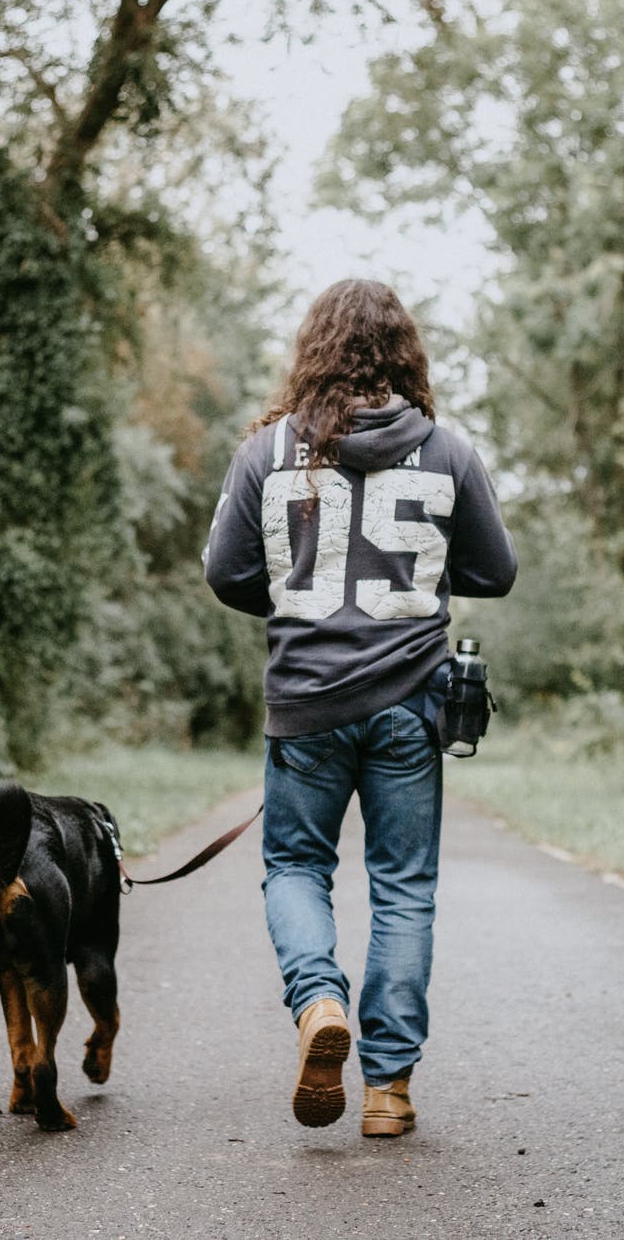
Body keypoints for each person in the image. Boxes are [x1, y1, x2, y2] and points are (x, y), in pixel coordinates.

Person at [202, 279, 517, 1136]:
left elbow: (227, 573)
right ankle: (388, 1091)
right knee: (403, 889)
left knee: (298, 868)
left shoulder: (266, 455)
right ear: (405, 354)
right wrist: (417, 579)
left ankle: (318, 1005)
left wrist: (302, 591)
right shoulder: (447, 451)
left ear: (313, 351)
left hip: (304, 704)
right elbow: (496, 571)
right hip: (411, 703)